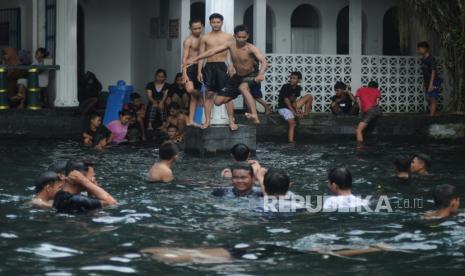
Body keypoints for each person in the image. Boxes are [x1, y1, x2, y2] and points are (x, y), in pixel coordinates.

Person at [189, 24, 268, 127]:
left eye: (243, 37)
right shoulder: (230, 44)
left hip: (251, 75)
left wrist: (260, 74)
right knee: (218, 101)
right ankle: (236, 94)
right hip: (237, 77)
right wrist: (196, 58)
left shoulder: (251, 48)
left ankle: (254, 114)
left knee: (243, 87)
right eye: (239, 37)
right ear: (234, 36)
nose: (241, 40)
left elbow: (264, 61)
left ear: (247, 36)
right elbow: (212, 51)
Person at [195, 13, 238, 130]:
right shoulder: (205, 37)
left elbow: (235, 53)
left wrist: (231, 65)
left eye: (218, 22)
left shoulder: (228, 37)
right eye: (213, 22)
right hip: (209, 66)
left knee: (226, 95)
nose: (216, 24)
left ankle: (231, 120)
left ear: (222, 23)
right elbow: (202, 55)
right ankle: (207, 120)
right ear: (210, 23)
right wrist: (199, 71)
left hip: (223, 66)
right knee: (208, 94)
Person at [277, 72, 314, 143]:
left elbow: (294, 100)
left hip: (291, 106)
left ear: (299, 80)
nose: (291, 80)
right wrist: (293, 112)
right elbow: (286, 101)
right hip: (283, 107)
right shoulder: (285, 86)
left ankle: (305, 114)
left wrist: (297, 109)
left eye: (294, 78)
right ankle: (291, 141)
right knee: (292, 123)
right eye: (291, 78)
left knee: (309, 96)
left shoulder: (298, 88)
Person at [181, 18, 204, 127]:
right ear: (190, 29)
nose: (197, 30)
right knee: (190, 90)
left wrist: (200, 71)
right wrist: (184, 73)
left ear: (202, 27)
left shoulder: (203, 39)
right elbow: (184, 58)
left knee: (193, 97)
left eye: (199, 28)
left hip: (198, 68)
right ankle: (201, 97)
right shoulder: (188, 40)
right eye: (194, 28)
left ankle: (191, 120)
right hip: (189, 68)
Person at [418, 41, 441, 117]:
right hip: (427, 81)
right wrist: (422, 84)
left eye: (420, 48)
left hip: (434, 81)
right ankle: (435, 111)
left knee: (433, 99)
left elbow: (433, 71)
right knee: (427, 98)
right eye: (418, 48)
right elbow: (424, 73)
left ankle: (431, 118)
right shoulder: (422, 59)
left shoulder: (431, 58)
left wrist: (431, 84)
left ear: (425, 49)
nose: (419, 50)